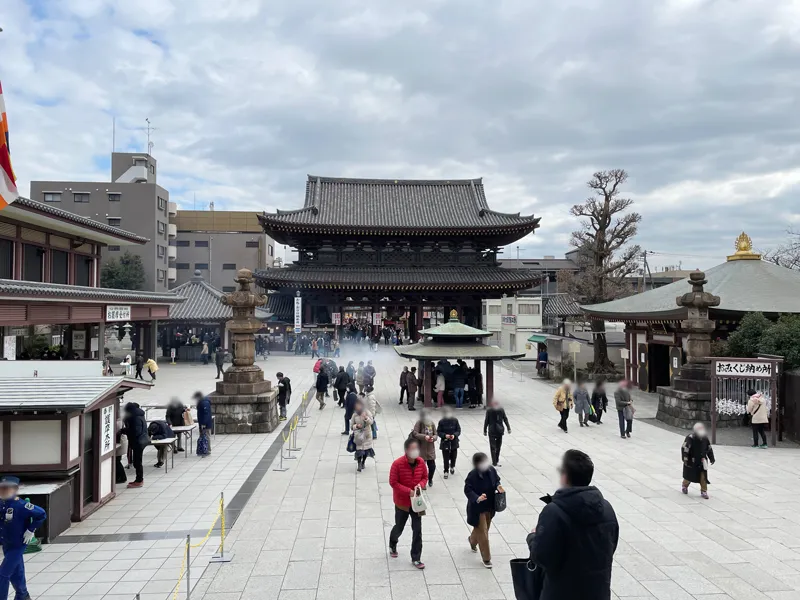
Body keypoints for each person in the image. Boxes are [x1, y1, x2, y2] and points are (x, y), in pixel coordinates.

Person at [527, 449, 619, 600]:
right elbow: (611, 545)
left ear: (564, 476)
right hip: (598, 592)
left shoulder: (554, 512)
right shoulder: (607, 508)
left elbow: (542, 557)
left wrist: (533, 537)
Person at [0, 476, 47, 600]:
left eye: (6, 489)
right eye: (1, 488)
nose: (3, 491)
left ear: (15, 489)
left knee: (3, 574)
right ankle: (22, 595)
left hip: (18, 544)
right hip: (6, 543)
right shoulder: (1, 504)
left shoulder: (22, 505)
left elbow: (41, 514)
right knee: (16, 571)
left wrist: (31, 529)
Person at [388, 438, 429, 570]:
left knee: (417, 530)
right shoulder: (397, 464)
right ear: (406, 450)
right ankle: (393, 542)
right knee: (399, 527)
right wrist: (408, 492)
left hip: (416, 503)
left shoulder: (421, 462)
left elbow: (425, 477)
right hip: (402, 503)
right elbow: (393, 482)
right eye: (412, 449)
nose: (415, 451)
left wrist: (420, 485)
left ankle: (416, 557)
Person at [464, 453, 503, 568]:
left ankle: (472, 540)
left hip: (490, 506)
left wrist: (498, 486)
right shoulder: (472, 475)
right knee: (483, 533)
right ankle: (486, 559)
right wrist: (477, 498)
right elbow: (467, 490)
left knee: (483, 529)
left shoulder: (491, 470)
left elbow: (496, 480)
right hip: (478, 508)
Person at [681, 423, 715, 499]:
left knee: (703, 476)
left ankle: (704, 491)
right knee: (689, 476)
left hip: (702, 461)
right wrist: (685, 459)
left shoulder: (705, 438)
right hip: (692, 461)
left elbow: (709, 448)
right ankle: (684, 485)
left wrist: (711, 458)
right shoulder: (690, 438)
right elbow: (685, 448)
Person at [120, 402, 148, 488]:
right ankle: (139, 479)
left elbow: (135, 431)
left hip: (138, 441)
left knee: (137, 462)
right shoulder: (140, 415)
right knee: (137, 461)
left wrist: (123, 430)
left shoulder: (133, 418)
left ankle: (139, 480)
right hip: (143, 439)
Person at [412, 410, 438, 487]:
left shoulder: (432, 423)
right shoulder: (419, 423)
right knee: (421, 467)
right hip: (421, 448)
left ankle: (430, 479)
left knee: (432, 466)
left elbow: (435, 434)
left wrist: (433, 438)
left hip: (430, 448)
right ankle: (421, 481)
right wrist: (424, 437)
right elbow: (415, 433)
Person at [483, 400, 511, 467]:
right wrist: (508, 428)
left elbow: (486, 420)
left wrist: (485, 430)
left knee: (493, 447)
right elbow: (505, 419)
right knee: (498, 447)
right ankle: (496, 460)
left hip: (492, 430)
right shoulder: (501, 410)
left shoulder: (489, 410)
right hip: (499, 430)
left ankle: (494, 462)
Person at [351, 399, 374, 472]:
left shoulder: (367, 412)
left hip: (367, 435)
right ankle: (359, 464)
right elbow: (351, 426)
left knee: (366, 451)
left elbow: (371, 422)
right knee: (359, 451)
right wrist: (357, 426)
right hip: (358, 436)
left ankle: (363, 462)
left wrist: (366, 418)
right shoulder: (354, 414)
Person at [437, 407, 461, 478]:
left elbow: (458, 430)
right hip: (445, 442)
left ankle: (452, 466)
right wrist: (444, 435)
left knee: (454, 456)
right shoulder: (441, 421)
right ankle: (446, 471)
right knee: (446, 458)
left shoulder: (455, 420)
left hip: (454, 442)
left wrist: (454, 435)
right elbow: (439, 432)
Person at [194, 391, 213, 456]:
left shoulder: (204, 403)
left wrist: (204, 423)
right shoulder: (204, 402)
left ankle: (207, 450)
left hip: (205, 423)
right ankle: (203, 449)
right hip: (204, 422)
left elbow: (206, 414)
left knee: (206, 436)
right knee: (204, 436)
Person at [115, 419, 128, 484]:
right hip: (122, 442)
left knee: (117, 461)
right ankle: (120, 477)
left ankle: (122, 477)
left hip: (119, 443)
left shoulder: (117, 422)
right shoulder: (121, 421)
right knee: (117, 461)